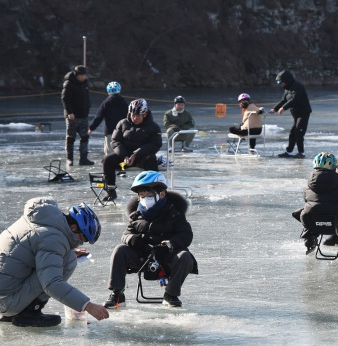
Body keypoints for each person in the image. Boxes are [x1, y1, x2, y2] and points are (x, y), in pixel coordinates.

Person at [0, 198, 108, 327]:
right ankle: (29, 314)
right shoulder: (53, 238)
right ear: (73, 227)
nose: (80, 243)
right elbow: (52, 283)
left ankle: (18, 312)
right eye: (82, 238)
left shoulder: (42, 219)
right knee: (68, 260)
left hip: (5, 295)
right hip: (6, 302)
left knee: (67, 256)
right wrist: (88, 306)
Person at [103, 171, 198, 308]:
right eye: (142, 196)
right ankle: (117, 294)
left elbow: (186, 235)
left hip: (167, 256)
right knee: (120, 250)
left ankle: (171, 295)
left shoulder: (175, 212)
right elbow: (126, 234)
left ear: (162, 194)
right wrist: (133, 239)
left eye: (149, 196)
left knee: (185, 257)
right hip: (143, 256)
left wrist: (170, 243)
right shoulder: (136, 214)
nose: (145, 199)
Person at [101, 99, 162, 203]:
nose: (135, 118)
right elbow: (115, 141)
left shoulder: (154, 127)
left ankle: (152, 190)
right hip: (124, 158)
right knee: (107, 160)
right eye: (133, 115)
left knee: (151, 160)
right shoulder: (122, 123)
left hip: (142, 158)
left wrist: (136, 154)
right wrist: (124, 156)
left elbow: (155, 144)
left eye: (138, 116)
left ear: (145, 114)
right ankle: (110, 191)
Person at [269, 70, 312, 158]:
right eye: (278, 82)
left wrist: (283, 108)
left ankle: (301, 153)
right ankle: (289, 152)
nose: (280, 84)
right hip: (296, 114)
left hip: (303, 113)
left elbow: (294, 99)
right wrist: (275, 109)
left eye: (280, 82)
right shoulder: (287, 88)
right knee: (292, 133)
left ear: (286, 80)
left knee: (299, 132)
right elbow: (284, 100)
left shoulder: (297, 86)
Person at [61, 65, 94, 166]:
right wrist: (69, 112)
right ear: (76, 75)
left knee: (85, 137)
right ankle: (69, 159)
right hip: (72, 117)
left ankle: (83, 158)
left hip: (83, 115)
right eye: (81, 75)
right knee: (70, 138)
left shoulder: (85, 84)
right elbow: (65, 99)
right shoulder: (69, 84)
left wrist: (87, 110)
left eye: (84, 75)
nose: (83, 77)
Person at [87, 81, 129, 156]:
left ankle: (110, 163)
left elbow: (99, 117)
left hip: (110, 132)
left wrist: (91, 128)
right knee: (121, 150)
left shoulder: (106, 102)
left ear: (108, 92)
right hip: (122, 131)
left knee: (109, 152)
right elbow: (129, 116)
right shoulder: (124, 102)